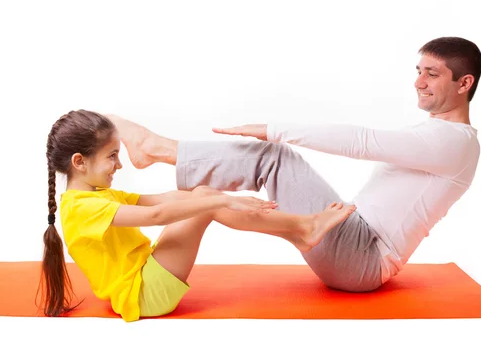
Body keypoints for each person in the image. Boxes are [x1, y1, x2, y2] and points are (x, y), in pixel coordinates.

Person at [106, 36, 481, 293]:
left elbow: (361, 142)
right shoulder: (439, 137)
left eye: (432, 74)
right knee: (217, 196)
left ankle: (154, 149)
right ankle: (168, 163)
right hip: (352, 238)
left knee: (275, 158)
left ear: (464, 83)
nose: (419, 82)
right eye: (418, 71)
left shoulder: (454, 142)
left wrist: (271, 130)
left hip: (362, 258)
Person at [40, 109, 356, 322]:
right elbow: (157, 216)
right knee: (207, 201)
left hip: (145, 274)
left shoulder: (92, 195)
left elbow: (160, 200)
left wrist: (217, 198)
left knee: (205, 197)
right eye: (112, 157)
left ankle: (300, 231)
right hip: (144, 294)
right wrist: (220, 203)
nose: (118, 166)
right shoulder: (81, 208)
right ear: (79, 162)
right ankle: (303, 227)